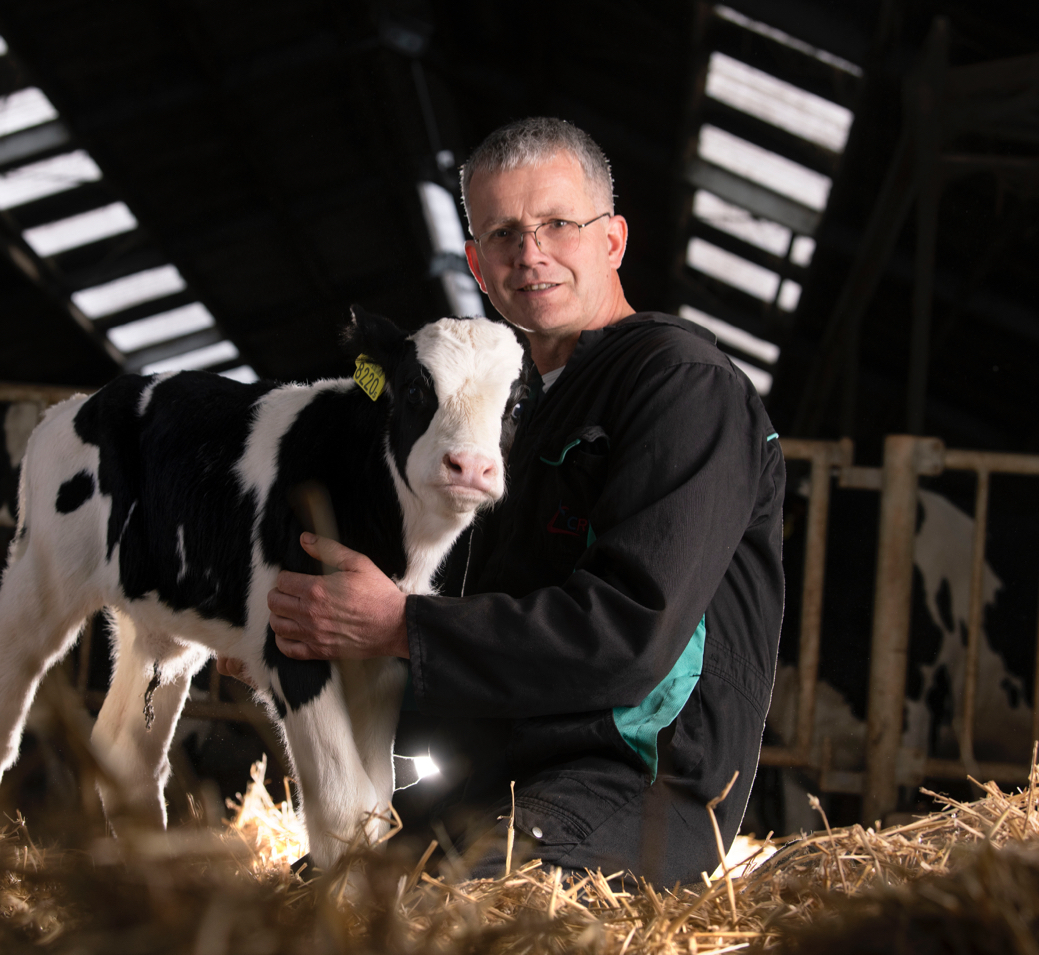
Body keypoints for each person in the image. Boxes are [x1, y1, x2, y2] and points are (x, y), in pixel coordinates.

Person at [256, 117, 785, 887]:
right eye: (502, 232)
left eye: (557, 224)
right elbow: (485, 660)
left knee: (452, 922)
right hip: (491, 783)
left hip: (628, 789)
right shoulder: (506, 417)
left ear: (612, 240)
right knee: (294, 911)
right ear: (475, 263)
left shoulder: (680, 384)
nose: (528, 252)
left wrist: (399, 624)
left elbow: (627, 637)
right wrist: (316, 647)